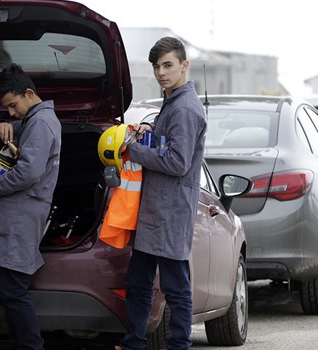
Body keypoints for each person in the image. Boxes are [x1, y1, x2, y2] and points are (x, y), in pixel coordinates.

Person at [117, 36, 207, 350]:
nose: (160, 72)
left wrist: (135, 151)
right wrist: (150, 132)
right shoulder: (173, 101)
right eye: (156, 66)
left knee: (175, 286)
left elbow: (178, 162)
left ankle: (179, 345)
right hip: (156, 211)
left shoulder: (184, 107)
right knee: (139, 282)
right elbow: (169, 144)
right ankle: (134, 343)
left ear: (185, 65)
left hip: (170, 212)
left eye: (167, 65)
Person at [0, 63, 61, 350]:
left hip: (21, 219)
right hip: (15, 219)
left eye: (13, 106)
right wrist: (0, 125)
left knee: (14, 292)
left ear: (29, 93)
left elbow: (28, 172)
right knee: (9, 292)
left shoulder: (40, 123)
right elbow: (7, 134)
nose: (11, 113)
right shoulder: (33, 120)